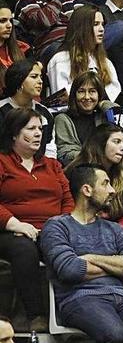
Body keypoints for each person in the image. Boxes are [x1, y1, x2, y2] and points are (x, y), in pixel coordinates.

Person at [40, 164, 123, 343]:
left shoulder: (115, 229)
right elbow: (70, 269)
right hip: (80, 299)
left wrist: (90, 258)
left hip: (122, 297)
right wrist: (117, 266)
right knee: (117, 335)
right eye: (105, 184)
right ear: (87, 190)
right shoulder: (56, 226)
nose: (112, 190)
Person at [0, 107, 71, 332]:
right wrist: (15, 224)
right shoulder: (2, 162)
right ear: (14, 133)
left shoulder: (52, 165)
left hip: (51, 229)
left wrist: (61, 224)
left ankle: (72, 311)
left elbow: (68, 200)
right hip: (10, 230)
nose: (38, 133)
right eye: (31, 129)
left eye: (40, 128)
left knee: (67, 246)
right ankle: (35, 315)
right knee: (24, 247)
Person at [48, 5, 121, 104]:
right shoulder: (61, 60)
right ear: (81, 28)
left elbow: (115, 92)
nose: (102, 29)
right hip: (72, 116)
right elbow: (61, 98)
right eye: (95, 24)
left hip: (104, 114)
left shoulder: (106, 62)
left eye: (102, 24)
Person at [66, 123, 123, 231]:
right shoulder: (76, 172)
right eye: (117, 142)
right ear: (101, 144)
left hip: (113, 233)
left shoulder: (121, 176)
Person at [54, 71, 123, 165]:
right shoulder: (63, 119)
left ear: (99, 94)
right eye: (81, 91)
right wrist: (99, 158)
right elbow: (65, 154)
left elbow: (120, 117)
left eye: (92, 91)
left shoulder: (104, 115)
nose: (87, 97)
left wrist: (104, 103)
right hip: (82, 171)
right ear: (74, 95)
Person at [0, 60, 56, 158]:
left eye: (41, 77)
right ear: (19, 80)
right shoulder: (1, 110)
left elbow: (50, 150)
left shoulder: (44, 112)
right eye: (34, 77)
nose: (40, 81)